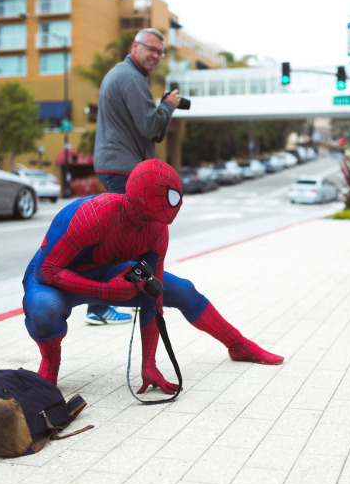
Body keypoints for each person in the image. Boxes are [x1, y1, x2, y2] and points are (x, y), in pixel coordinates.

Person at [23, 159, 283, 393]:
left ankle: (237, 344)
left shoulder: (156, 228)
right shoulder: (94, 214)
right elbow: (47, 271)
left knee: (184, 291)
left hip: (105, 270)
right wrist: (106, 290)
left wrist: (149, 363)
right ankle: (50, 364)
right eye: (146, 216)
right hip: (53, 276)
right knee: (44, 307)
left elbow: (153, 296)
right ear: (134, 201)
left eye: (156, 219)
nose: (151, 224)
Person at [84, 28, 182, 326]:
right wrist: (168, 106)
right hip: (123, 168)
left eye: (159, 52)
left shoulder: (124, 75)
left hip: (117, 165)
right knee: (122, 238)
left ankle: (115, 299)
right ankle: (99, 305)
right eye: (151, 49)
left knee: (123, 236)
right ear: (135, 46)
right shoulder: (131, 77)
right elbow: (150, 127)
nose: (155, 55)